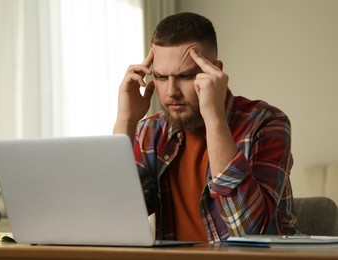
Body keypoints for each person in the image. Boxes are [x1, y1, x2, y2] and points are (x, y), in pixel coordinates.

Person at [113, 12, 297, 243]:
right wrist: (126, 121)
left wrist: (214, 118)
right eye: (160, 77)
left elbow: (250, 234)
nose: (171, 92)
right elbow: (113, 219)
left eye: (185, 76)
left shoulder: (267, 123)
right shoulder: (150, 132)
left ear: (216, 72)